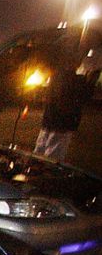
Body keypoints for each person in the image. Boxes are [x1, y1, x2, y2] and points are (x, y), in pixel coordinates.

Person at [34, 33, 102, 162]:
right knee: (53, 155)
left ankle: (33, 170)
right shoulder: (74, 80)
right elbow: (84, 95)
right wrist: (92, 77)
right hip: (63, 122)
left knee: (41, 149)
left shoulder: (57, 75)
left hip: (50, 120)